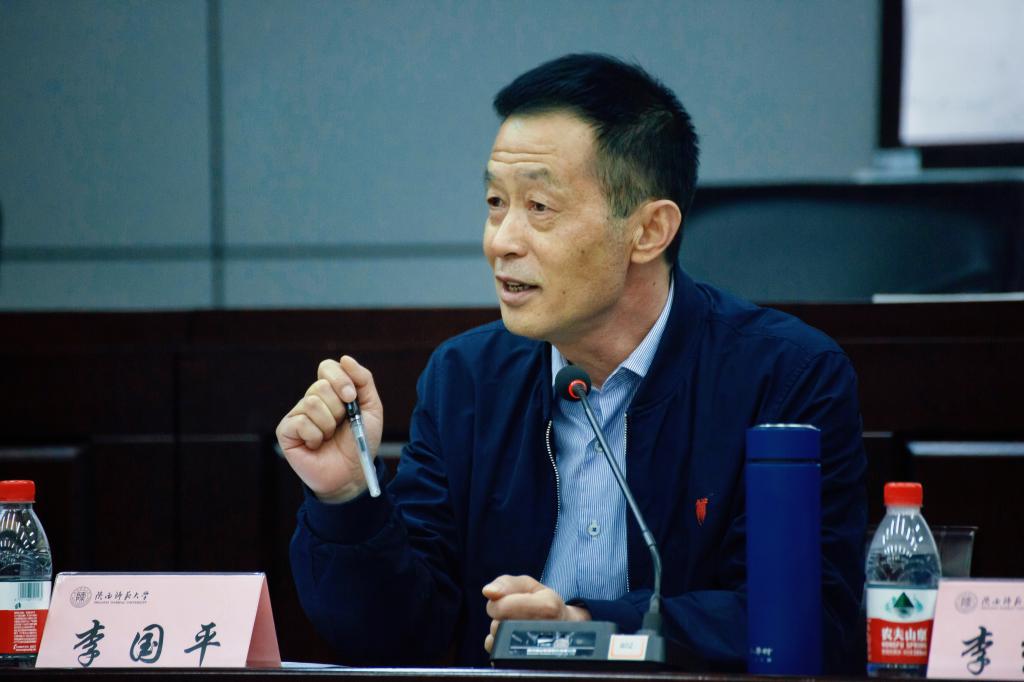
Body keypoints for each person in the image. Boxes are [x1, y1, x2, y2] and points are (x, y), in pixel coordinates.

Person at [278, 53, 866, 672]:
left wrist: (589, 630)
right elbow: (396, 638)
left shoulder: (786, 378)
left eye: (539, 207)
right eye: (496, 202)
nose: (501, 240)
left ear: (649, 231)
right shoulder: (466, 380)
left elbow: (799, 618)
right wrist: (348, 499)